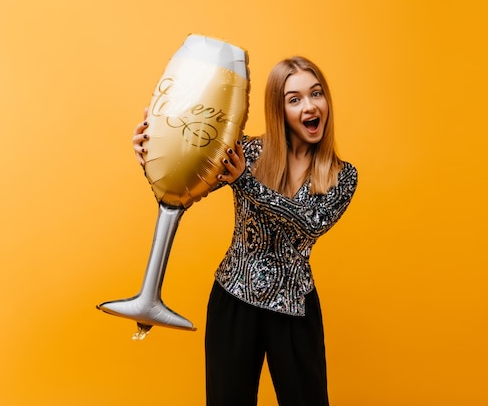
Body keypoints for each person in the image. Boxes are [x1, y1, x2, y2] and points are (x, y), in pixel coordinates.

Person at [133, 56, 358, 406]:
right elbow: (189, 180)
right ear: (278, 108)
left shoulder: (343, 175)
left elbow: (311, 222)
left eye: (316, 94)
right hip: (233, 301)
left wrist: (246, 184)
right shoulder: (248, 151)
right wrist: (152, 150)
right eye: (294, 98)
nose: (310, 105)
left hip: (294, 307)